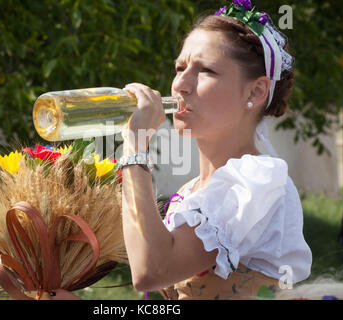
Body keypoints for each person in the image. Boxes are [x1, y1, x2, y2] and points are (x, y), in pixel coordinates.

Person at [119, 0, 312, 300]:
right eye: (180, 68)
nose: (180, 84)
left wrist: (134, 147)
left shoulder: (256, 181)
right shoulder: (194, 191)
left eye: (205, 70)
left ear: (256, 91)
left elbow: (150, 271)